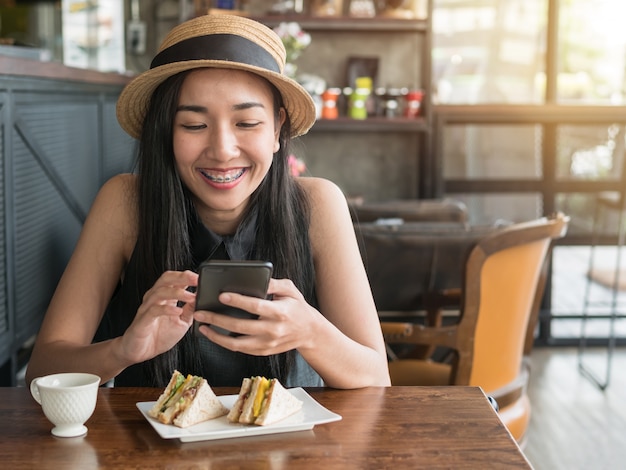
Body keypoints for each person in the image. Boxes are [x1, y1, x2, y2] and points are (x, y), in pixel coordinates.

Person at [25, 14, 390, 389]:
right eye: (194, 126)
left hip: (292, 445)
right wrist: (122, 351)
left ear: (278, 128)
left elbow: (377, 379)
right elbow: (42, 371)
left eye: (246, 123)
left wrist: (312, 333)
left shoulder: (318, 203)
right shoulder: (125, 202)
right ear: (164, 131)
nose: (222, 150)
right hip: (148, 446)